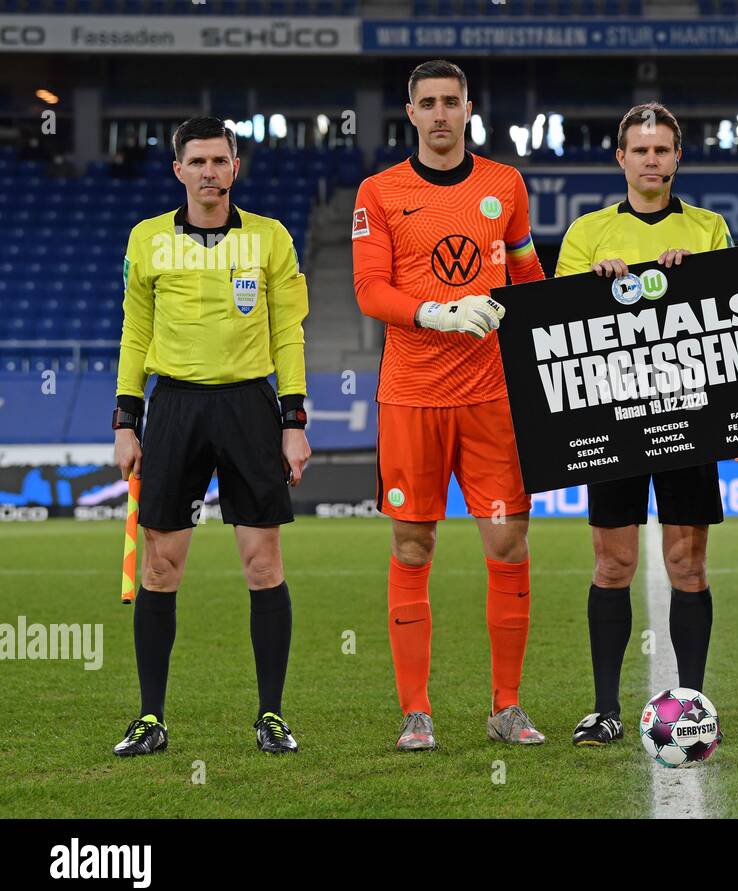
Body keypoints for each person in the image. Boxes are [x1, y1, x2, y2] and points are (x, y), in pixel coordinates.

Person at [352, 59, 547, 751]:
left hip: (492, 396)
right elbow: (370, 290)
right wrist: (436, 313)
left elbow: (526, 273)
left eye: (451, 102)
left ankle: (507, 706)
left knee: (508, 541)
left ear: (469, 109)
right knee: (413, 544)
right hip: (413, 398)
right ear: (410, 113)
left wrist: (527, 313)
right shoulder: (379, 192)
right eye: (427, 103)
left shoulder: (506, 184)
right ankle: (417, 712)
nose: (440, 113)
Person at [112, 116, 310, 756]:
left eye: (219, 161)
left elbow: (289, 334)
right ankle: (151, 719)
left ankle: (271, 716)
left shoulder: (270, 238)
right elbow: (134, 333)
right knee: (161, 567)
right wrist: (126, 421)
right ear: (178, 170)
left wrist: (294, 421)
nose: (208, 172)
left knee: (263, 564)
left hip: (250, 405)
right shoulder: (147, 240)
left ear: (235, 166)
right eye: (196, 162)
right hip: (172, 405)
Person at [554, 102, 733, 746]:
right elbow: (562, 329)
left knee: (688, 566)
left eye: (662, 150)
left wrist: (702, 277)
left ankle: (690, 703)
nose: (651, 159)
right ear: (621, 159)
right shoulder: (587, 233)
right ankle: (605, 709)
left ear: (677, 158)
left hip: (688, 415)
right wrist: (594, 287)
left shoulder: (710, 228)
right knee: (612, 566)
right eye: (640, 150)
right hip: (614, 414)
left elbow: (736, 316)